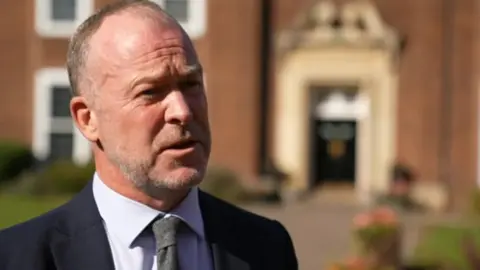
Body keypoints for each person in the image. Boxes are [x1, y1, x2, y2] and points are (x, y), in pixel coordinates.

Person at [0, 1, 298, 270]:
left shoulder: (267, 247)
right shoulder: (17, 258)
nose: (181, 111)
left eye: (191, 84)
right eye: (150, 92)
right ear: (88, 119)